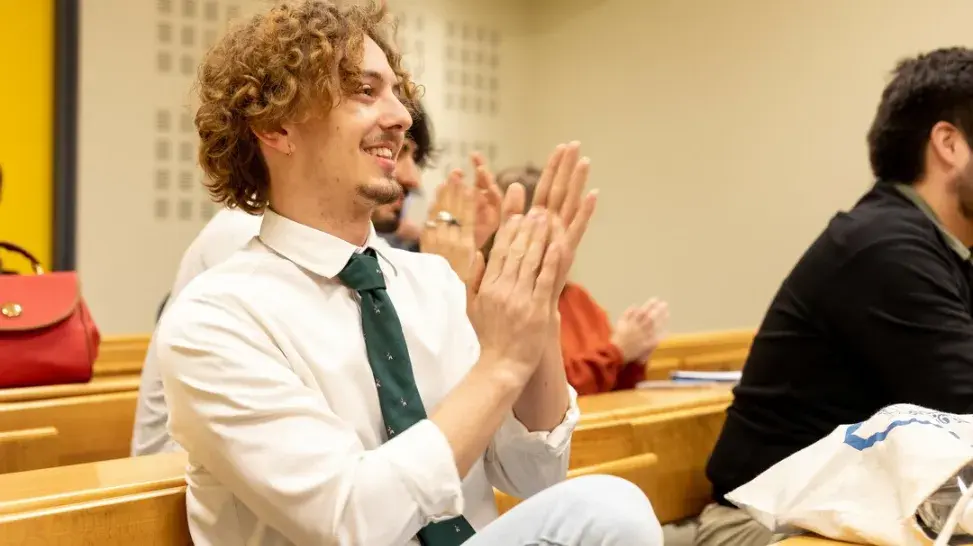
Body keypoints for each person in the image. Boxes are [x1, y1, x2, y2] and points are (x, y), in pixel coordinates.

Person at [152, 2, 663, 546]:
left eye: (398, 94)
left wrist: (537, 313)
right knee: (608, 509)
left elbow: (534, 474)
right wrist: (500, 363)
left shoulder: (433, 283)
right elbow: (352, 521)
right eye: (365, 91)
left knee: (609, 507)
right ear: (275, 124)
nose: (401, 117)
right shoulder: (216, 319)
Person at [697, 47, 973, 546]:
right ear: (949, 144)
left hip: (864, 517)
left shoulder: (944, 250)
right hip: (768, 527)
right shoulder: (884, 246)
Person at [133, 98, 441, 456]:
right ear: (280, 131)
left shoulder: (357, 250)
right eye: (396, 153)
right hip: (177, 471)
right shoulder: (249, 237)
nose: (411, 178)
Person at [489, 164, 670, 395]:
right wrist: (618, 351)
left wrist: (633, 358)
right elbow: (550, 393)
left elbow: (610, 383)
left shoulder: (578, 298)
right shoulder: (498, 303)